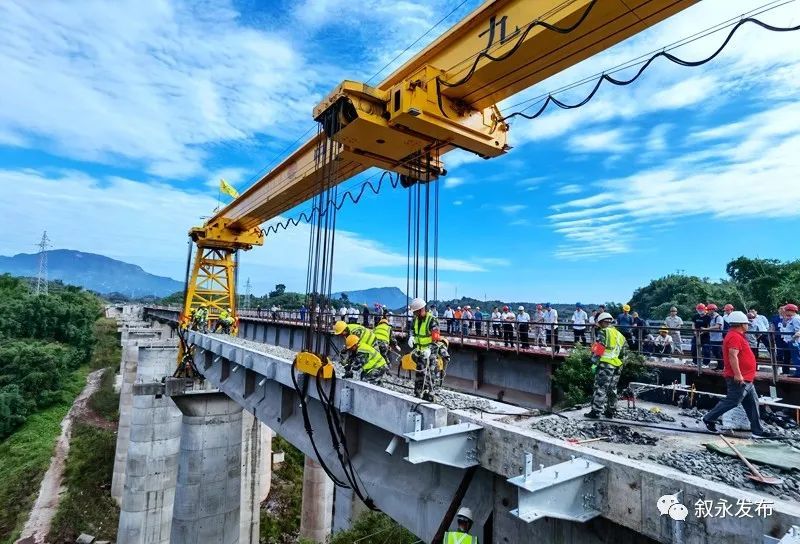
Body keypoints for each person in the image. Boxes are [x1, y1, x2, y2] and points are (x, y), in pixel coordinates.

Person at [702, 311, 774, 438]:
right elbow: (732, 356)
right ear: (741, 324)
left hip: (747, 377)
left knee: (752, 403)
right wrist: (738, 374)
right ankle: (709, 418)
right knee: (733, 400)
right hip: (740, 377)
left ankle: (757, 430)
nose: (748, 325)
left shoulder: (737, 335)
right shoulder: (734, 336)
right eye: (747, 323)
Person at [585, 312, 627, 419]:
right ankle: (610, 411)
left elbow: (600, 347)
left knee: (600, 388)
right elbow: (625, 352)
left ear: (601, 322)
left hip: (605, 364)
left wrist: (594, 362)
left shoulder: (603, 332)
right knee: (612, 388)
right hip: (617, 364)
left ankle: (596, 412)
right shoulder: (619, 334)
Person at [408, 297, 442, 401]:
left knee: (430, 376)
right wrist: (411, 337)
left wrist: (429, 349)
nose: (415, 315)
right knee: (419, 374)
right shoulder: (416, 319)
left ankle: (431, 396)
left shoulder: (432, 320)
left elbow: (436, 340)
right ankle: (418, 394)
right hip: (419, 352)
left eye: (416, 312)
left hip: (429, 353)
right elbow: (412, 330)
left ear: (422, 309)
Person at [779, 303, 800, 377]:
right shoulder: (792, 319)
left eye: (787, 310)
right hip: (793, 341)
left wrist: (793, 339)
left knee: (796, 358)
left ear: (791, 311)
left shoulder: (796, 319)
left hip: (795, 342)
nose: (786, 312)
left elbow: (798, 331)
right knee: (795, 358)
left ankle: (798, 373)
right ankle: (798, 372)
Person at [703, 304, 724, 368]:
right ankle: (720, 366)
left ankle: (721, 366)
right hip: (712, 338)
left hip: (718, 338)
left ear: (713, 310)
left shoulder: (718, 317)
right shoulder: (711, 318)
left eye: (709, 310)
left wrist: (707, 329)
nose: (708, 312)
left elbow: (718, 326)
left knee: (718, 353)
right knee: (715, 353)